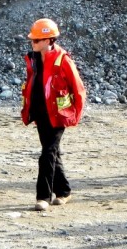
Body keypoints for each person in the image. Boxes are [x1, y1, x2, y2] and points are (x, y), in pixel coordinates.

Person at [20, 18, 87, 212]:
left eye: (37, 40)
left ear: (49, 40)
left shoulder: (62, 59)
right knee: (53, 153)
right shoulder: (32, 60)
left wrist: (75, 115)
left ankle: (43, 196)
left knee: (47, 154)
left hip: (58, 117)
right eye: (32, 40)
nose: (33, 43)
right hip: (41, 114)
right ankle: (64, 191)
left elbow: (78, 89)